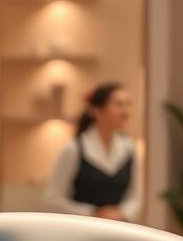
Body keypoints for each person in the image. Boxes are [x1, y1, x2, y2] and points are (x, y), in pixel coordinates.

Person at [43, 82, 141, 221]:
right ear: (97, 110)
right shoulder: (74, 148)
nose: (126, 112)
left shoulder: (129, 148)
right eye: (118, 104)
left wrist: (122, 212)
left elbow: (134, 198)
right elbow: (52, 199)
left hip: (118, 231)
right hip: (81, 231)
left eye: (128, 105)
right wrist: (93, 213)